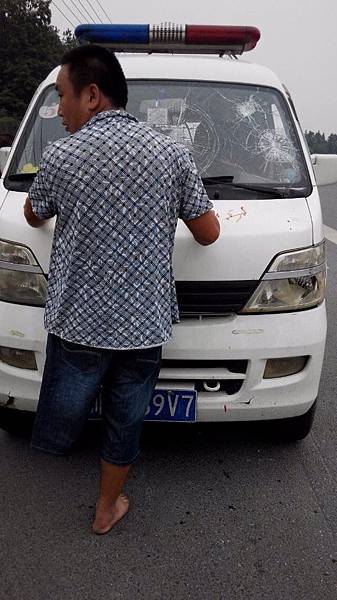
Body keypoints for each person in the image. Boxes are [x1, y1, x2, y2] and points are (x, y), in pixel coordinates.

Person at [23, 44, 220, 535]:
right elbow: (208, 232)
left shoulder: (62, 155)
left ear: (92, 96)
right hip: (143, 324)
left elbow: (33, 213)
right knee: (126, 415)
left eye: (62, 97)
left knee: (67, 403)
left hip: (78, 321)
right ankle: (106, 506)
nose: (59, 109)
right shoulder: (170, 153)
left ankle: (55, 446)